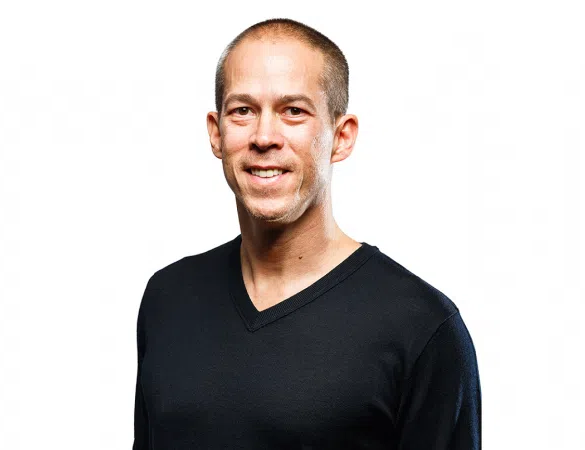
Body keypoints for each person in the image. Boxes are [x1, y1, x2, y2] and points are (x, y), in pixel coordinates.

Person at [133, 18, 481, 449]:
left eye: (293, 111)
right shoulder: (168, 297)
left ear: (341, 137)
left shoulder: (421, 327)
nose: (264, 136)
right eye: (243, 110)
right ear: (216, 133)